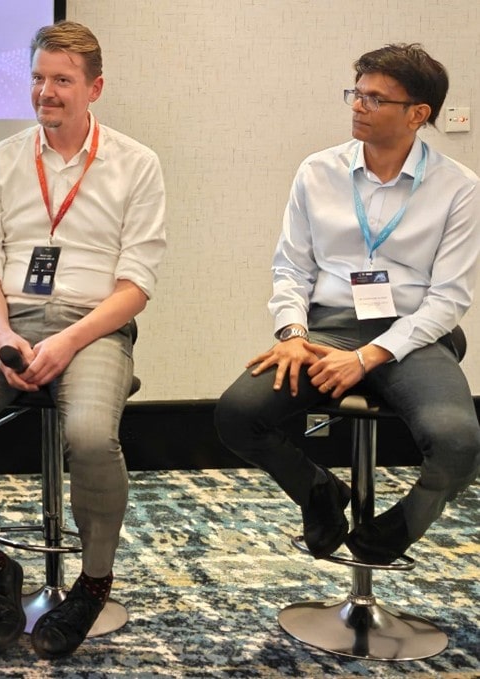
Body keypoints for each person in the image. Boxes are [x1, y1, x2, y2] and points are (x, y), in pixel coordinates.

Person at [0, 21, 166, 659]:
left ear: (94, 89)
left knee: (90, 436)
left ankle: (93, 583)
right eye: (37, 77)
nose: (45, 92)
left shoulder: (136, 164)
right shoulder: (0, 161)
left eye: (62, 80)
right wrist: (2, 334)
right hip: (13, 323)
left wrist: (67, 342)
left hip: (95, 327)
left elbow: (136, 285)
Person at [216, 44, 479, 567]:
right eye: (355, 94)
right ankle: (319, 492)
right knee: (237, 415)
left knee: (458, 442)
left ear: (418, 114)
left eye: (375, 98)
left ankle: (396, 529)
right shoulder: (318, 171)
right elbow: (291, 269)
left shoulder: (459, 188)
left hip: (412, 336)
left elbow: (448, 298)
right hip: (327, 329)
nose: (358, 106)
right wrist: (292, 335)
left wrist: (366, 358)